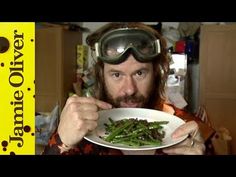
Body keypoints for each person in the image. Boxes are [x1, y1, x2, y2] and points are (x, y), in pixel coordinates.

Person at [42, 22, 215, 155]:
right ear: (102, 76)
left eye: (140, 73)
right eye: (116, 75)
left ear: (156, 73)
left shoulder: (189, 131)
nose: (129, 90)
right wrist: (61, 141)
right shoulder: (83, 131)